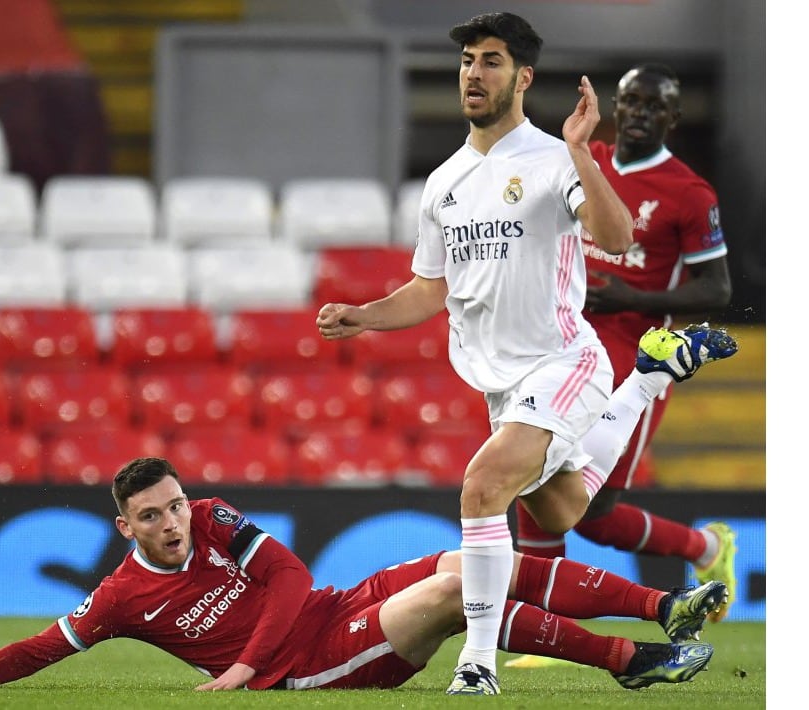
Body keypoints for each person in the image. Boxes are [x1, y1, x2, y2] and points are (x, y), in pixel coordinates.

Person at [314, 11, 737, 695]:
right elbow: (432, 288)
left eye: (490, 61)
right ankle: (650, 380)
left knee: (482, 488)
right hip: (501, 385)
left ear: (522, 77)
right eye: (467, 62)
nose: (473, 74)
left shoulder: (551, 158)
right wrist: (364, 316)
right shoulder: (445, 181)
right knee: (565, 513)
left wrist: (579, 150)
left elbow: (617, 231)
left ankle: (477, 663)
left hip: (563, 362)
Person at [0, 457, 725, 694]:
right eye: (150, 516)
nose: (171, 521)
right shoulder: (122, 597)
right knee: (452, 595)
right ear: (125, 527)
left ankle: (664, 606)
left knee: (474, 559)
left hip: (327, 610)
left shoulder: (218, 517)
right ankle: (630, 663)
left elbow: (293, 579)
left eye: (175, 505)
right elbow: (41, 649)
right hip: (313, 667)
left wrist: (238, 664)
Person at [507, 63, 737, 670]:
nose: (637, 113)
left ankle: (706, 546)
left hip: (633, 363)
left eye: (652, 106)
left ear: (672, 118)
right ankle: (549, 633)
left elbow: (716, 289)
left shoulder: (690, 193)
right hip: (560, 347)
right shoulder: (585, 159)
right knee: (532, 480)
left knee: (594, 511)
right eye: (629, 101)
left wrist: (631, 297)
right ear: (616, 105)